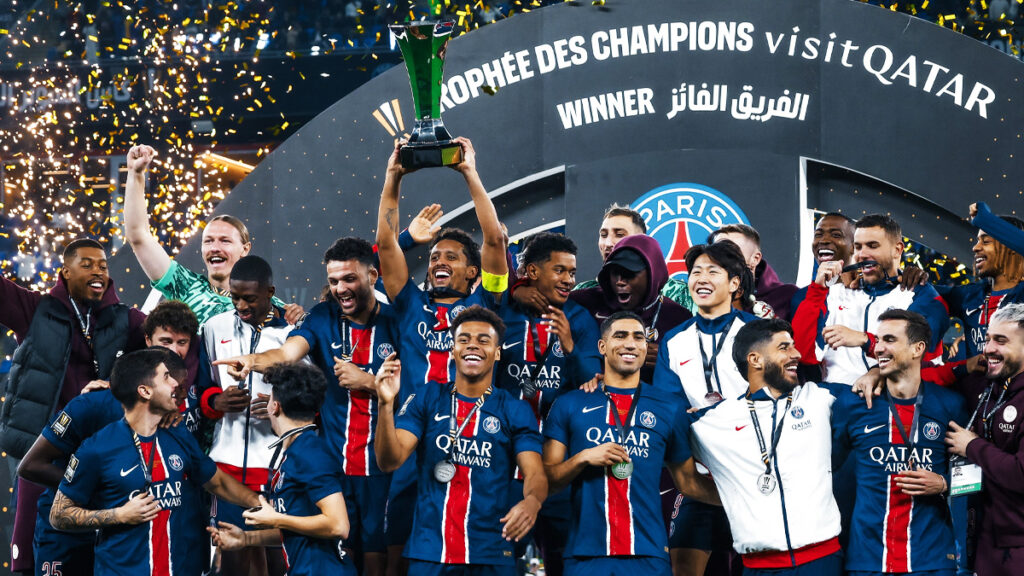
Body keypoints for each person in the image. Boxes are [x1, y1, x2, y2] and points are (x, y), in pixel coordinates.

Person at [214, 237, 399, 576]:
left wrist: (369, 382)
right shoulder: (322, 317)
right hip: (333, 463)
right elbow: (287, 354)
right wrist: (252, 361)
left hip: (384, 468)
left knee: (380, 559)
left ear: (372, 276)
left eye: (349, 279)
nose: (340, 289)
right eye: (333, 281)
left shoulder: (397, 322)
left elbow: (420, 395)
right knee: (331, 548)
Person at [375, 137, 509, 571]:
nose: (438, 262)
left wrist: (469, 172)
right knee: (399, 550)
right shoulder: (411, 304)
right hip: (413, 433)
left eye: (451, 256)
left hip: (472, 437)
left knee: (469, 546)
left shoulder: (485, 306)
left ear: (472, 271)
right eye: (433, 256)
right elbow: (386, 247)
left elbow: (494, 240)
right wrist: (393, 178)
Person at [19, 302, 199, 576]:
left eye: (180, 389)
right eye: (171, 386)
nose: (178, 395)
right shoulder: (94, 402)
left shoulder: (172, 420)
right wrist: (97, 493)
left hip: (121, 536)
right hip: (69, 532)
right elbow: (30, 466)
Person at [0, 238, 147, 574]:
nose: (99, 271)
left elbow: (171, 339)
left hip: (102, 456)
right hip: (44, 453)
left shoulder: (126, 319)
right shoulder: (36, 310)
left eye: (103, 266)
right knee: (32, 559)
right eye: (87, 264)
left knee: (106, 554)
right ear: (65, 271)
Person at [49, 348, 260, 576]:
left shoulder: (177, 432)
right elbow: (59, 514)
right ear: (145, 391)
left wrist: (261, 504)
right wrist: (118, 515)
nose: (176, 384)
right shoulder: (97, 448)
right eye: (166, 377)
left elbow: (217, 482)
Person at [542, 311, 720, 576]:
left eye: (638, 337)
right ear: (602, 346)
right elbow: (546, 482)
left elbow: (688, 482)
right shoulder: (569, 403)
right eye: (620, 336)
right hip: (585, 554)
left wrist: (740, 500)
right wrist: (582, 458)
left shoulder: (670, 408)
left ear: (646, 347)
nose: (630, 344)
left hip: (649, 553)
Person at [373, 305, 546, 576]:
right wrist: (385, 405)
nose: (472, 345)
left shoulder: (515, 409)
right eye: (463, 339)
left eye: (483, 340)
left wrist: (532, 501)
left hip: (491, 551)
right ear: (453, 349)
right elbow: (389, 462)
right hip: (431, 551)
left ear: (497, 352)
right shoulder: (428, 397)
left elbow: (535, 472)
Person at [688, 319, 844, 575]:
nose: (796, 354)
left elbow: (891, 388)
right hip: (758, 567)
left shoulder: (821, 397)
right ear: (755, 360)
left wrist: (873, 374)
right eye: (784, 347)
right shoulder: (710, 422)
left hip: (823, 561)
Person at [493, 231, 600, 575]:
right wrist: (514, 288)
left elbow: (592, 384)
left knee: (561, 557)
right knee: (502, 556)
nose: (569, 279)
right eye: (560, 270)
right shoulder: (504, 309)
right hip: (502, 459)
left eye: (572, 272)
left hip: (556, 463)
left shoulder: (579, 319)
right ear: (533, 272)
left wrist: (569, 345)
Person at [832, 310, 966, 575]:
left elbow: (978, 474)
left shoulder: (951, 404)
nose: (878, 347)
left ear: (918, 348)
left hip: (933, 560)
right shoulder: (852, 404)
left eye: (889, 340)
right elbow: (826, 468)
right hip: (868, 560)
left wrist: (944, 483)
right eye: (878, 339)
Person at [652, 241, 757, 576]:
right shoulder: (674, 340)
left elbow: (769, 398)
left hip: (754, 471)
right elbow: (670, 408)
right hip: (702, 472)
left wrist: (707, 415)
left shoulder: (757, 332)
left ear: (735, 283)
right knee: (682, 564)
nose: (701, 278)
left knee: (759, 567)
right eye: (696, 271)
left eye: (713, 271)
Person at [122, 144, 302, 326]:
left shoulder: (270, 306)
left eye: (225, 241)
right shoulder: (185, 285)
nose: (215, 248)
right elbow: (138, 236)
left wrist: (299, 317)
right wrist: (135, 174)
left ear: (245, 249)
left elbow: (301, 334)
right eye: (208, 241)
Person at [196, 255, 295, 576]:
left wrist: (280, 405)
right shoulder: (214, 328)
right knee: (232, 559)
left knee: (279, 560)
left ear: (270, 293)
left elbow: (312, 397)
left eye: (249, 298)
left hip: (275, 467)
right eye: (235, 296)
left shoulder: (293, 336)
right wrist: (217, 401)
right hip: (226, 468)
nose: (240, 305)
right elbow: (201, 388)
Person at [208, 362, 356, 576]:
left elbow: (338, 525)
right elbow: (300, 528)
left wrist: (277, 519)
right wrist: (247, 538)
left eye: (269, 399)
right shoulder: (298, 449)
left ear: (275, 407)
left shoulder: (311, 454)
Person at [791, 214, 949, 385]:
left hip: (897, 396)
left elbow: (917, 355)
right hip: (834, 395)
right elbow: (802, 353)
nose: (862, 254)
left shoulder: (922, 296)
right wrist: (818, 289)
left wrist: (865, 340)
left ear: (897, 250)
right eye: (858, 247)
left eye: (872, 246)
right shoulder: (834, 293)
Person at [945, 303, 1024, 576]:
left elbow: (1021, 473)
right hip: (984, 541)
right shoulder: (988, 386)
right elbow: (923, 377)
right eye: (988, 339)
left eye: (1001, 341)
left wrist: (972, 446)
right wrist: (875, 374)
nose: (988, 348)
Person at [569, 234, 691, 382]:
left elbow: (692, 373)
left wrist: (668, 361)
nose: (620, 281)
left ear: (653, 274)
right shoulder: (584, 302)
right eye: (615, 273)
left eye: (629, 274)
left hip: (649, 395)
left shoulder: (678, 317)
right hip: (590, 392)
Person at [939, 204, 1024, 365]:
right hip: (977, 382)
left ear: (1011, 248)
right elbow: (921, 292)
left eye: (986, 241)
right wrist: (903, 276)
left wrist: (986, 220)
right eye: (978, 241)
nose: (975, 248)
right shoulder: (969, 295)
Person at [569, 204, 693, 311]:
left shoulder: (679, 294)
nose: (608, 243)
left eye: (619, 234)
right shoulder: (583, 292)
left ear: (642, 240)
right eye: (603, 235)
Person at [708, 224, 798, 320]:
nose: (722, 257)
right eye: (717, 251)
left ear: (755, 258)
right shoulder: (702, 295)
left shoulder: (788, 296)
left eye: (732, 251)